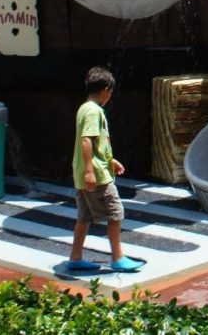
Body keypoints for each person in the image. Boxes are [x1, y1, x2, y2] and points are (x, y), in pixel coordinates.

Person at [66, 67, 142, 273]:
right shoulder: (94, 111)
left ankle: (75, 258)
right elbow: (86, 140)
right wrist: (91, 171)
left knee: (84, 217)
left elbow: (97, 144)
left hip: (85, 173)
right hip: (97, 176)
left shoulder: (84, 108)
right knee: (115, 213)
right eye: (111, 92)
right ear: (106, 89)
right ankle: (117, 257)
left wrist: (110, 160)